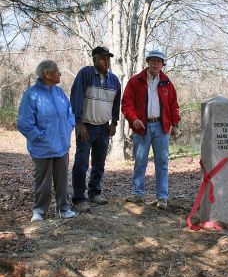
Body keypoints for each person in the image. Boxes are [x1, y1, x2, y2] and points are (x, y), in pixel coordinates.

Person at [17, 60, 76, 222]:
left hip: (62, 145)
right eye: (57, 71)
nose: (60, 74)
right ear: (47, 74)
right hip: (42, 147)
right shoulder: (32, 94)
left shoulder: (59, 92)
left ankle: (63, 209)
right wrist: (39, 136)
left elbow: (69, 113)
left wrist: (69, 126)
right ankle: (39, 211)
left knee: (62, 180)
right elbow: (24, 123)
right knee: (42, 181)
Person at [122, 50, 181, 209]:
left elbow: (174, 106)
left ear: (162, 64)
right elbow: (127, 104)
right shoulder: (136, 81)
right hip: (142, 127)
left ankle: (162, 197)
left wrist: (175, 125)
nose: (155, 63)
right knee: (140, 161)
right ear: (148, 62)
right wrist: (134, 119)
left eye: (158, 61)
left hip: (162, 128)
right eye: (152, 60)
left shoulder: (167, 83)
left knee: (162, 162)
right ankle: (137, 193)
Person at [70, 46, 121, 212]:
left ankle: (94, 192)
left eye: (108, 58)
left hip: (104, 128)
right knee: (81, 162)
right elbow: (76, 97)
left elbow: (116, 103)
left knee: (99, 162)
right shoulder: (85, 74)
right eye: (102, 58)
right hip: (86, 126)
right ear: (94, 59)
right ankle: (79, 198)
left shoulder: (113, 80)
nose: (106, 61)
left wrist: (114, 122)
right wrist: (79, 123)